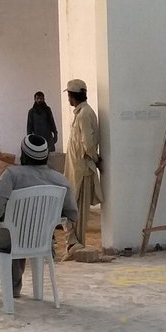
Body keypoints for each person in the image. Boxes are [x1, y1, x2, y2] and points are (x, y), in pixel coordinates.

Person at [0, 134, 78, 296]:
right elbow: (72, 213)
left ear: (23, 155)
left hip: (11, 238)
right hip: (42, 239)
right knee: (19, 231)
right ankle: (17, 287)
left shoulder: (12, 175)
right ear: (45, 157)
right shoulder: (59, 179)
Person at [63, 78, 101, 255]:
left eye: (69, 96)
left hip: (82, 169)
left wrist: (95, 159)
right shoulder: (80, 113)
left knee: (76, 210)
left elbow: (88, 143)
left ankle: (76, 244)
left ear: (72, 96)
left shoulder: (85, 114)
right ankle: (73, 244)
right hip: (75, 169)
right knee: (70, 206)